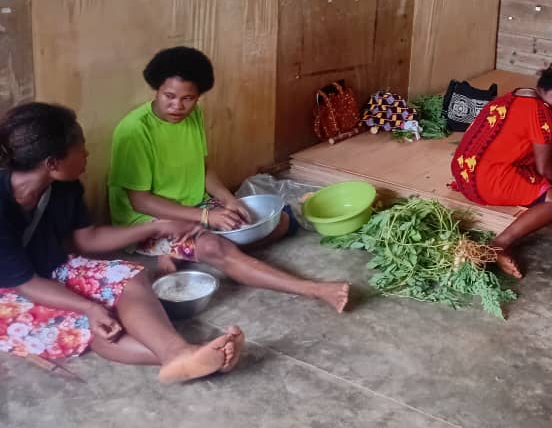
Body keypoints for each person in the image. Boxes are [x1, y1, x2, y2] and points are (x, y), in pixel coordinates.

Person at [0, 102, 244, 383]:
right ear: (52, 164)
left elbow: (86, 238)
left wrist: (157, 227)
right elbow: (26, 284)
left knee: (131, 277)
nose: (87, 153)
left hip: (51, 267)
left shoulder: (63, 186)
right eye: (81, 148)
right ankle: (196, 355)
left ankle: (182, 354)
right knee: (98, 325)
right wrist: (89, 308)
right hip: (11, 292)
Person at [107, 46, 350, 313]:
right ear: (156, 89)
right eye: (169, 96)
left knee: (277, 221)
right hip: (150, 221)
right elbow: (140, 202)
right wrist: (205, 219)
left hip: (195, 207)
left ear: (199, 97)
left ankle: (192, 253)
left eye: (188, 98)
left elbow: (204, 169)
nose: (178, 106)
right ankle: (313, 289)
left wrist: (228, 200)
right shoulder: (134, 131)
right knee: (214, 244)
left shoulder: (194, 116)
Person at [449, 52, 552, 278]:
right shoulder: (542, 116)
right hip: (486, 183)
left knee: (542, 181)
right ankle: (498, 245)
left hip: (463, 173)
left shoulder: (514, 96)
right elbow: (544, 170)